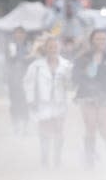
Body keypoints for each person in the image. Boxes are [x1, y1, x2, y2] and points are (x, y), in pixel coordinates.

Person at [73, 29, 106, 168]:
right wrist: (93, 65)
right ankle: (89, 158)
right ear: (92, 41)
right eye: (98, 39)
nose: (101, 42)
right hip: (87, 95)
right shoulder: (83, 57)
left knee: (105, 128)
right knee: (90, 126)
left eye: (103, 39)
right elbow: (76, 78)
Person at [23, 34, 73, 168]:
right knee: (44, 130)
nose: (53, 49)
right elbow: (28, 84)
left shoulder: (67, 65)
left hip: (60, 102)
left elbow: (71, 85)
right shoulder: (36, 66)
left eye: (55, 47)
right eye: (50, 47)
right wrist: (31, 100)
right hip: (43, 102)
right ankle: (44, 158)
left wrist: (68, 89)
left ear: (59, 48)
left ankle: (57, 158)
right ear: (45, 48)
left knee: (59, 130)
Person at [5, 26, 33, 134]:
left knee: (25, 101)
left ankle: (25, 125)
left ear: (25, 35)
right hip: (14, 78)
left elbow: (31, 58)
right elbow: (9, 60)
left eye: (21, 33)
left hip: (26, 78)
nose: (19, 35)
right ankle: (16, 124)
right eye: (17, 33)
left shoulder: (29, 46)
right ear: (14, 34)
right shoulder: (11, 46)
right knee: (14, 102)